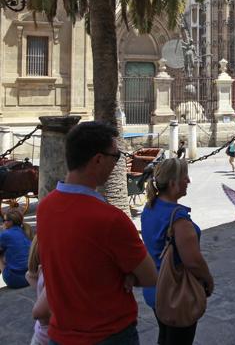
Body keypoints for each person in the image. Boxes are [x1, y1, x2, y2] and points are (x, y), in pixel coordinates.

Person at [36, 121, 157, 344]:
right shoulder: (111, 220)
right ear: (98, 159)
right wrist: (126, 274)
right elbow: (150, 276)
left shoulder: (45, 208)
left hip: (60, 334)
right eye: (116, 156)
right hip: (108, 334)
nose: (117, 163)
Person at [141, 158, 214, 345]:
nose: (188, 181)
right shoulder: (179, 219)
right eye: (185, 177)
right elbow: (193, 261)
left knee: (165, 337)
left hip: (155, 289)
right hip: (176, 293)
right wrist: (208, 280)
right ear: (173, 183)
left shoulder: (150, 208)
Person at [26, 236, 50, 345]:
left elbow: (38, 313)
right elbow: (39, 313)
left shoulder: (44, 274)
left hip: (42, 334)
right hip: (46, 335)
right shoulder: (50, 275)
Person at [0, 208, 32, 288]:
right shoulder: (26, 231)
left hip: (15, 280)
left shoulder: (5, 235)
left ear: (10, 222)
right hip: (30, 277)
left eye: (4, 220)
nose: (2, 223)